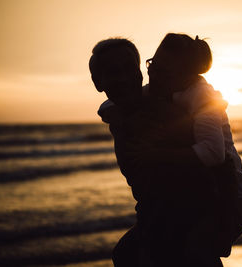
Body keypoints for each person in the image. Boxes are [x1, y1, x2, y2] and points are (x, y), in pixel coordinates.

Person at [89, 38, 223, 267]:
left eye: (128, 68)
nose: (123, 78)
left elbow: (202, 181)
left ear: (140, 73)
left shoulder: (166, 116)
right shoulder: (122, 117)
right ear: (97, 82)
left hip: (180, 234)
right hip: (156, 224)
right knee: (123, 255)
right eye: (112, 72)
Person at [145, 33, 242, 251]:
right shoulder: (164, 88)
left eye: (163, 72)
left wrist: (156, 156)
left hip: (234, 195)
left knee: (193, 253)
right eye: (152, 65)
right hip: (206, 192)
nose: (153, 75)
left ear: (187, 76)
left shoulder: (202, 95)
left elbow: (213, 151)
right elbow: (118, 103)